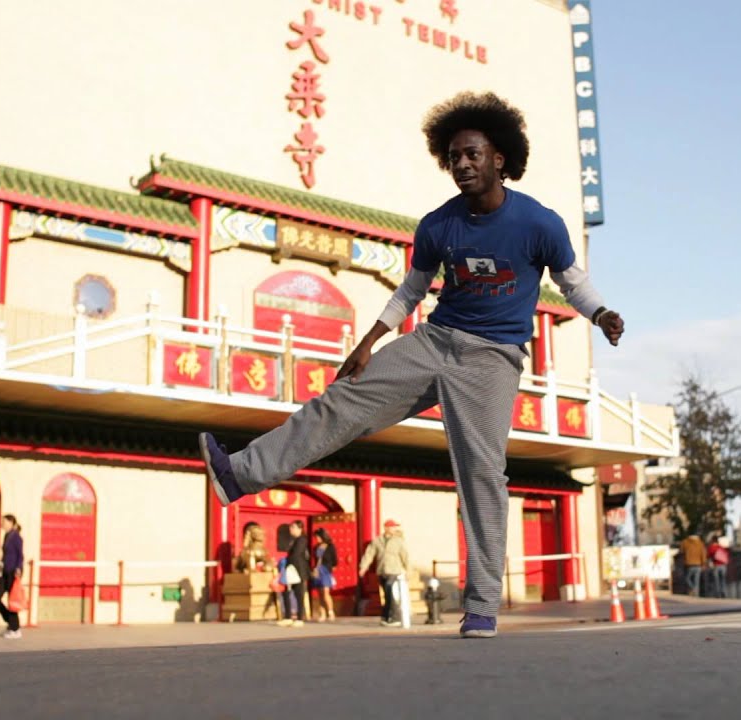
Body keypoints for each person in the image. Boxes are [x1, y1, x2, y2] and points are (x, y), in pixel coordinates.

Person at [198, 91, 624, 639]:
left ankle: (482, 606)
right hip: (435, 341)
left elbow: (572, 282)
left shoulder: (538, 223)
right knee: (340, 403)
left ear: (499, 159)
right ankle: (240, 473)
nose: (461, 164)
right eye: (453, 157)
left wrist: (601, 314)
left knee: (481, 473)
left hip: (494, 358)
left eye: (472, 154)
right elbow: (412, 290)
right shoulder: (438, 225)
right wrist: (370, 340)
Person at [358, 519, 409, 627]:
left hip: (394, 570)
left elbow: (405, 556)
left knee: (390, 591)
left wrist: (408, 570)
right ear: (386, 528)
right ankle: (386, 617)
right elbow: (369, 554)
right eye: (392, 527)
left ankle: (395, 617)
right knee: (386, 594)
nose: (394, 529)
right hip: (382, 571)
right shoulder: (377, 541)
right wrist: (363, 567)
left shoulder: (398, 541)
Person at [0, 514, 24, 639]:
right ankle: (12, 624)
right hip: (5, 571)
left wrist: (18, 569)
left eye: (4, 522)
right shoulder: (7, 536)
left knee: (12, 600)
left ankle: (15, 629)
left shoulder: (16, 537)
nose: (2, 524)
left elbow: (20, 555)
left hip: (13, 572)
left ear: (11, 523)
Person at [284, 521, 310, 623]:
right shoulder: (293, 540)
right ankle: (288, 617)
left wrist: (289, 563)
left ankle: (300, 618)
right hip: (291, 570)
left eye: (293, 527)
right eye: (290, 527)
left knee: (299, 594)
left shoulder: (302, 540)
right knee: (287, 592)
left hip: (298, 570)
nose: (291, 529)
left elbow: (296, 554)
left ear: (300, 529)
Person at [312, 527, 338, 622]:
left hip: (326, 570)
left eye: (318, 537)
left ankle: (331, 612)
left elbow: (335, 560)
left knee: (326, 592)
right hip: (318, 571)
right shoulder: (316, 547)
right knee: (320, 594)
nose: (317, 539)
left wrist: (331, 569)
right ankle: (322, 613)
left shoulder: (330, 547)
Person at [706, 535, 730, 599]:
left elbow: (708, 556)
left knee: (716, 581)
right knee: (723, 580)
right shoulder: (721, 547)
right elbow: (726, 554)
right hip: (723, 565)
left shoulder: (711, 547)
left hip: (716, 565)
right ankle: (724, 593)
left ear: (712, 540)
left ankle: (718, 594)